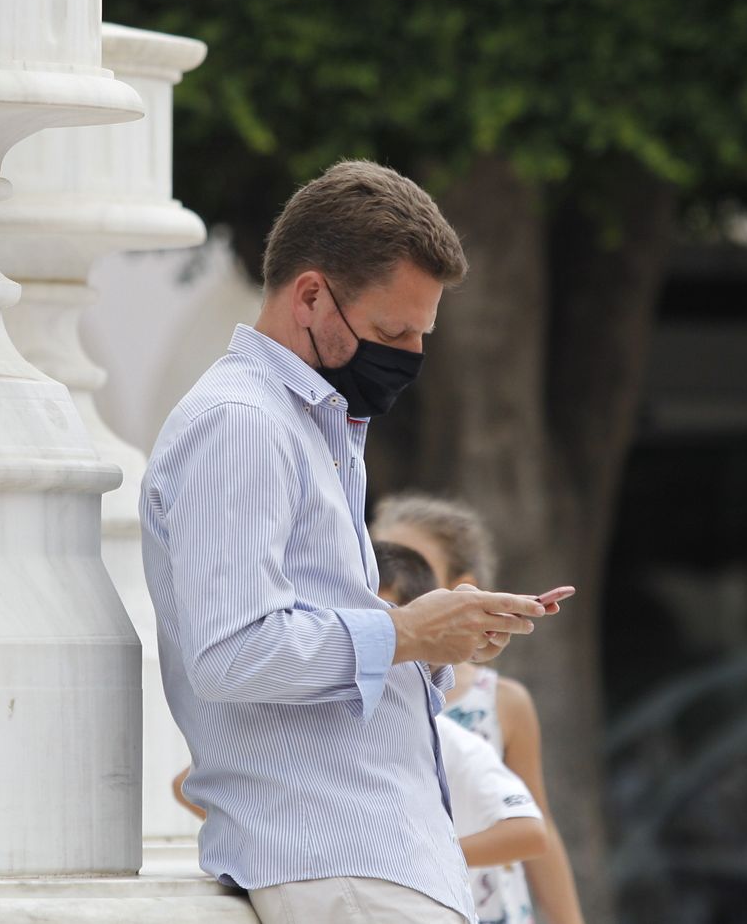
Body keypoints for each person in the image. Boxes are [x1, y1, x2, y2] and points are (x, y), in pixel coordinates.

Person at [141, 160, 553, 924]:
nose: (408, 356)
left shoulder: (309, 429)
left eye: (420, 335)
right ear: (309, 295)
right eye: (391, 331)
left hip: (371, 859)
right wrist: (403, 631)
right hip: (339, 863)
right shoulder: (245, 424)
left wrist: (438, 638)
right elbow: (230, 652)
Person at [374, 492, 587, 924]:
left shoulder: (502, 701)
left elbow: (535, 819)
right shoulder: (359, 689)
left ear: (461, 586)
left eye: (410, 562)